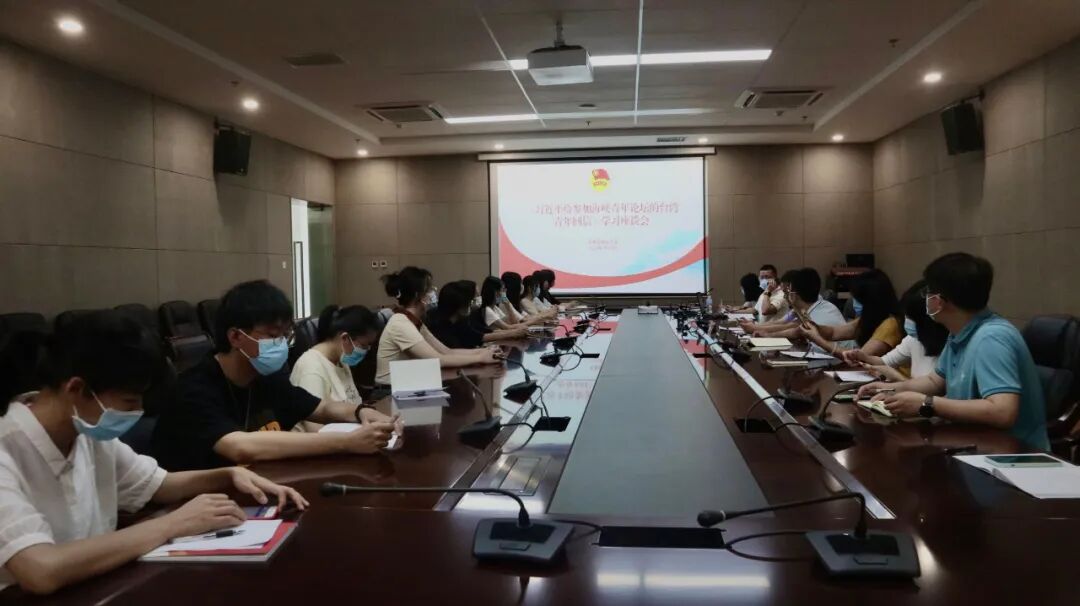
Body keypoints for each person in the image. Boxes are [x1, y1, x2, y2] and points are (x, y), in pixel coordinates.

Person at [0, 311, 306, 595]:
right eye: (129, 401)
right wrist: (173, 524)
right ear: (76, 390)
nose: (137, 412)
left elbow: (158, 484)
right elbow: (41, 570)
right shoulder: (8, 449)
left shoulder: (85, 431)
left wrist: (228, 474)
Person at [152, 280, 401, 471]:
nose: (281, 344)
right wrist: (346, 442)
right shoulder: (194, 389)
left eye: (285, 335)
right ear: (236, 336)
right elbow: (239, 447)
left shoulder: (265, 377)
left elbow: (320, 407)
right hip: (197, 504)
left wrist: (361, 412)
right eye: (273, 335)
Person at [858, 253, 1049, 450]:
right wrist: (890, 390)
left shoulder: (992, 338)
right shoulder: (959, 332)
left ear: (939, 301)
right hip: (973, 442)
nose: (925, 298)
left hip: (1009, 454)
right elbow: (934, 382)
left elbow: (1003, 412)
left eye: (928, 292)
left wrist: (927, 404)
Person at [374, 267, 499, 384]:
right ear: (418, 295)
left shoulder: (414, 321)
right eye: (429, 289)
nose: (433, 292)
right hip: (388, 391)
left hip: (406, 385)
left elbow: (447, 352)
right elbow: (437, 360)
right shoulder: (400, 323)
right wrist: (481, 358)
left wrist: (484, 351)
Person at [289, 305, 380, 432]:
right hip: (319, 442)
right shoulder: (311, 368)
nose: (366, 350)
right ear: (345, 338)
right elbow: (314, 429)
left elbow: (353, 404)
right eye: (364, 345)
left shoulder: (341, 361)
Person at [842, 280, 949, 380]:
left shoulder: (948, 348)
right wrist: (862, 357)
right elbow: (885, 362)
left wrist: (895, 376)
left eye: (912, 317)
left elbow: (933, 390)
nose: (906, 320)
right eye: (906, 315)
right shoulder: (913, 339)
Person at [798, 269, 904, 357]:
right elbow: (834, 332)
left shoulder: (891, 324)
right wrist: (814, 327)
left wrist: (818, 339)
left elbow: (860, 357)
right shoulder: (870, 317)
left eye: (858, 299)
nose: (854, 303)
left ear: (871, 300)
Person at [753, 268, 853, 351]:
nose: (784, 296)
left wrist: (766, 334)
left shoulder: (821, 314)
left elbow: (797, 330)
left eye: (787, 291)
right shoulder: (811, 308)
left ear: (794, 294)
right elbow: (795, 330)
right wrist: (767, 334)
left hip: (837, 364)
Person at [427, 282, 526, 348]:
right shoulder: (439, 326)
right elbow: (449, 353)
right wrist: (514, 332)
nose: (478, 299)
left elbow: (482, 333)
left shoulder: (463, 320)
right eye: (475, 297)